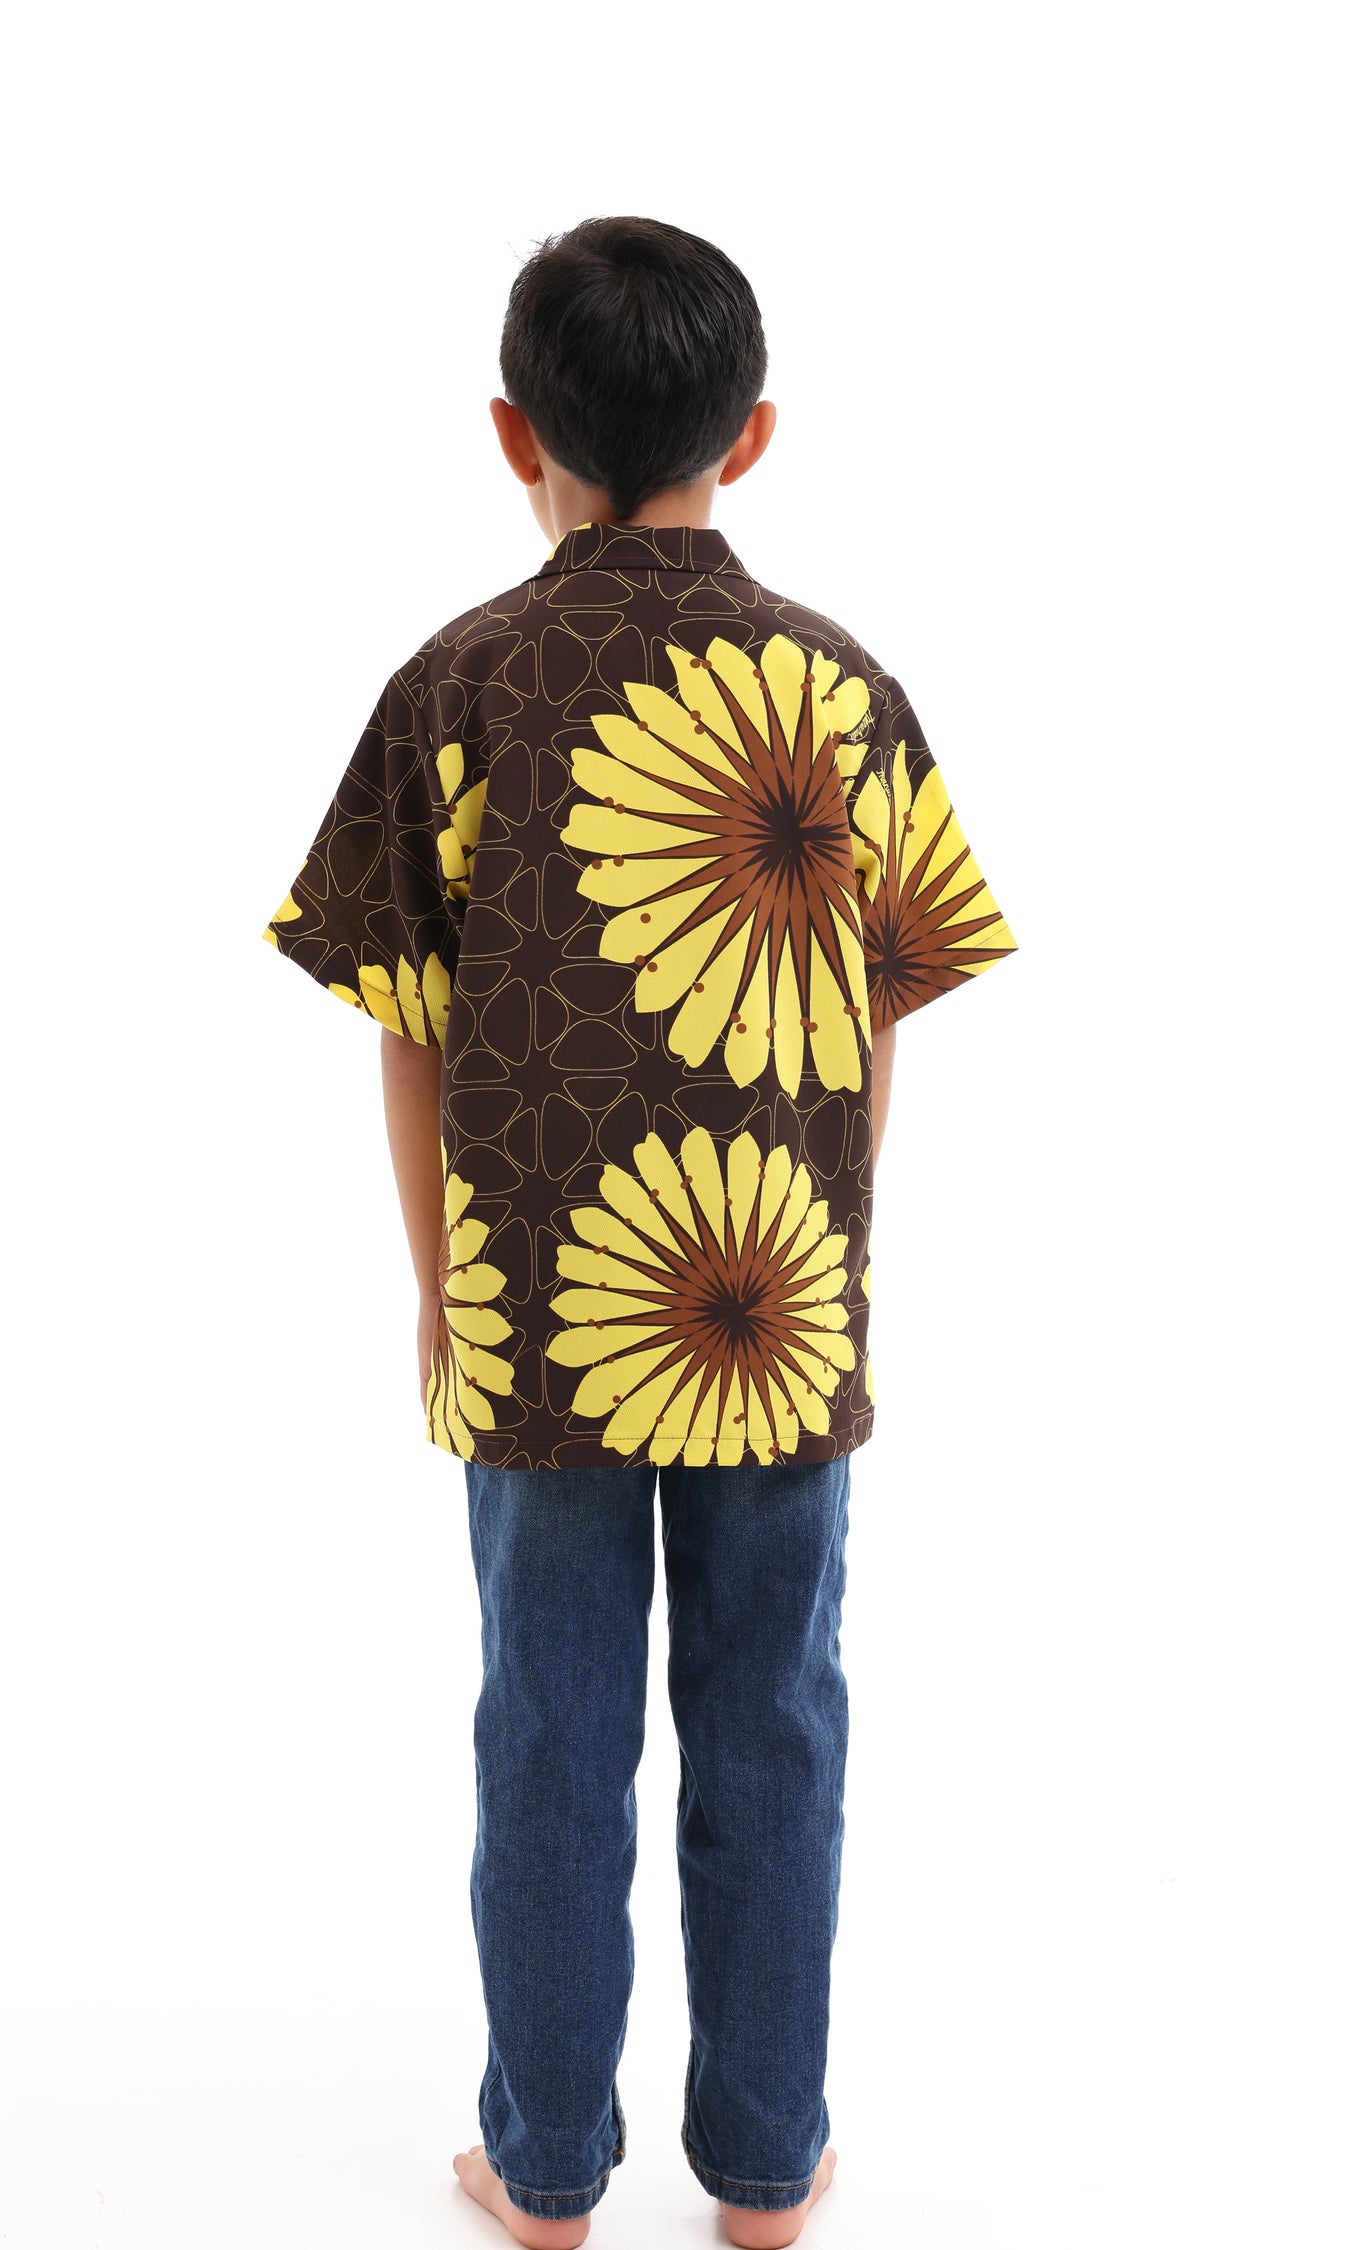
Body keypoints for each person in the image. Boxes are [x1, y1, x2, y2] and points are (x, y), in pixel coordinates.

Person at [262, 215, 1017, 2250]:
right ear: (750, 436)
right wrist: (835, 1262)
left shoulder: (457, 682)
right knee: (776, 1721)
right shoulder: (837, 685)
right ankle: (767, 2169)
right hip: (777, 1298)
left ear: (516, 433)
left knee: (548, 1727)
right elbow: (873, 1012)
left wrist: (446, 1292)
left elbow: (410, 1028)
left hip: (535, 1314)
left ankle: (543, 2167)